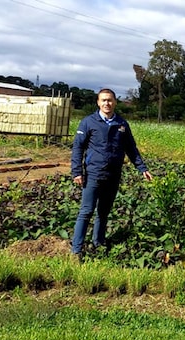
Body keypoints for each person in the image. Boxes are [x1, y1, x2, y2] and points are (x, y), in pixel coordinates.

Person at [70, 88, 152, 260]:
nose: (107, 103)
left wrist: (142, 168)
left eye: (110, 100)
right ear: (98, 103)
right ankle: (76, 250)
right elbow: (78, 147)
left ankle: (98, 244)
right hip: (93, 173)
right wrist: (77, 171)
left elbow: (131, 148)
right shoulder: (88, 122)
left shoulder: (122, 124)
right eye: (103, 100)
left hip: (113, 174)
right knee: (86, 211)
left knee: (103, 212)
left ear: (115, 102)